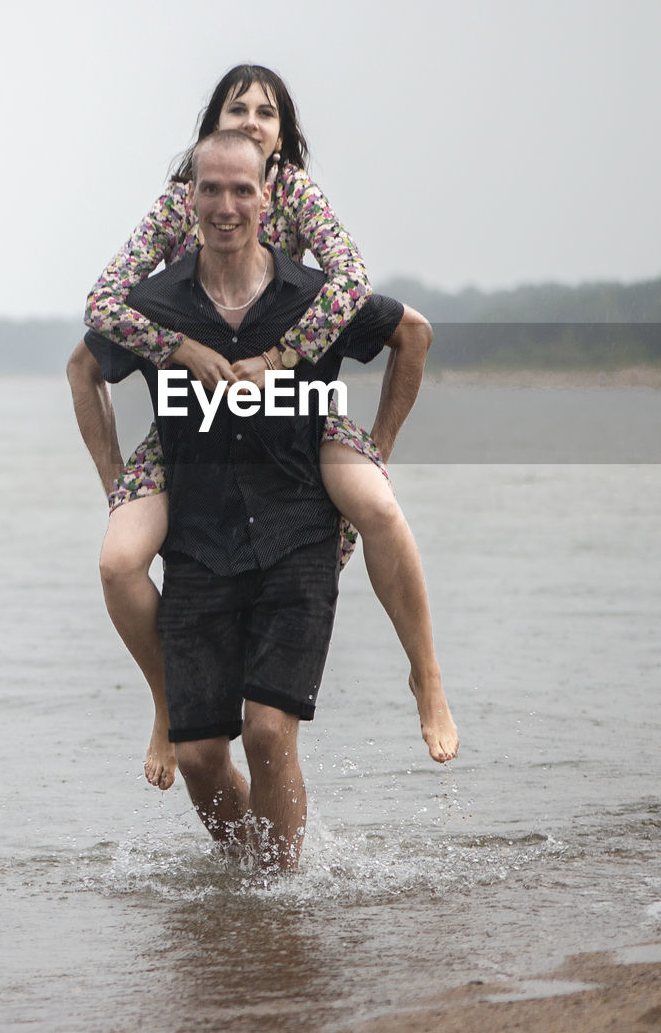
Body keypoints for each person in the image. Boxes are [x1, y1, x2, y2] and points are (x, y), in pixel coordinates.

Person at [67, 64, 458, 790]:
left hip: (291, 405)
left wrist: (288, 362)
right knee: (120, 557)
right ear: (210, 128)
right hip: (194, 412)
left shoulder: (297, 192)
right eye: (236, 108)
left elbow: (350, 283)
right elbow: (102, 306)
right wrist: (177, 349)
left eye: (266, 112)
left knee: (374, 503)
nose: (251, 121)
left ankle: (426, 676)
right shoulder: (179, 202)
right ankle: (166, 704)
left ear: (283, 140)